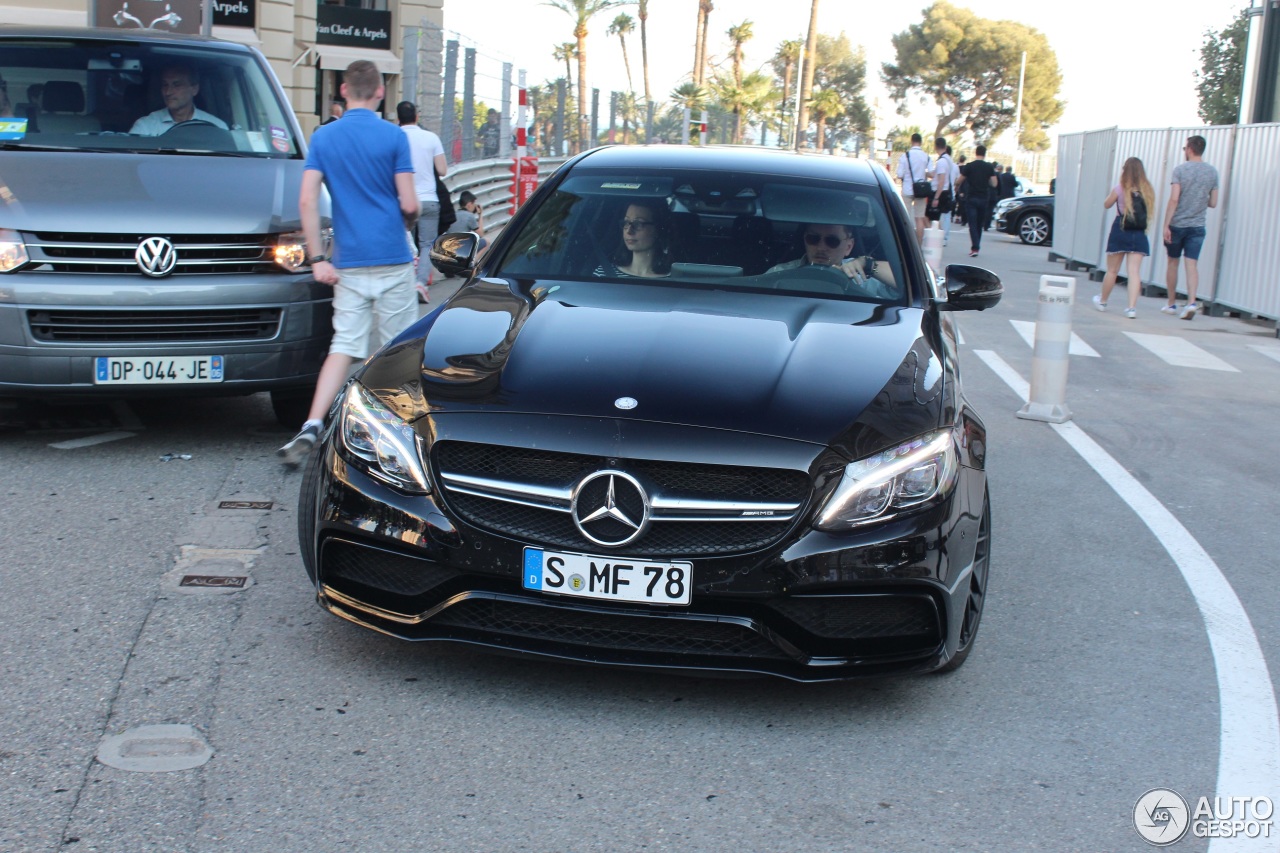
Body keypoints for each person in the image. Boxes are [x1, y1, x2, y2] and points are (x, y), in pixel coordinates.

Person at [277, 60, 419, 467]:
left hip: (348, 262)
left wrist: (318, 257)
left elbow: (306, 200)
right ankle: (394, 435)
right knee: (398, 351)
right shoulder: (394, 137)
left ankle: (312, 423)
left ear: (343, 91)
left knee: (343, 346)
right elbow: (409, 203)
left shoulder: (324, 137)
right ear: (380, 92)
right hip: (391, 257)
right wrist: (402, 220)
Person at [1160, 134, 1219, 320]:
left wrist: (1166, 224)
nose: (1185, 151)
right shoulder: (1212, 172)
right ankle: (1192, 302)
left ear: (1190, 149)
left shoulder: (1180, 170)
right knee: (1192, 264)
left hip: (1178, 224)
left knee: (1172, 262)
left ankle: (1171, 303)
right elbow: (1214, 203)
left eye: (1185, 148)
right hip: (1198, 225)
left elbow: (1174, 199)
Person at [397, 100, 447, 303]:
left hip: (402, 199)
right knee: (427, 244)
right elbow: (443, 170)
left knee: (404, 242)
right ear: (416, 117)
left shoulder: (395, 136)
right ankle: (420, 283)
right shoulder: (431, 137)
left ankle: (404, 285)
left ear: (397, 118)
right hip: (428, 200)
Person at [1092, 157, 1155, 319]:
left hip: (1121, 229)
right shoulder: (1147, 190)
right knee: (1134, 272)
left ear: (1125, 171)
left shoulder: (1120, 189)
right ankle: (1131, 308)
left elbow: (1106, 204)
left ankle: (1103, 301)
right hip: (1139, 232)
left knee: (1112, 270)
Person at [766, 222, 898, 299]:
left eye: (832, 241)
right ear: (804, 240)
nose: (821, 247)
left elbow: (906, 286)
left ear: (849, 247)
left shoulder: (861, 275)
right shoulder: (781, 273)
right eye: (813, 238)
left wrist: (868, 264)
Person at [130, 64, 228, 135]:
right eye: (165, 85)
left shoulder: (216, 127)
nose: (168, 92)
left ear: (194, 89)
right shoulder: (146, 126)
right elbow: (133, 160)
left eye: (176, 85)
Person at [593, 202, 672, 278]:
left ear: (657, 229)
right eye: (626, 222)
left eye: (638, 224)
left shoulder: (675, 281)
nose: (629, 231)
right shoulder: (603, 274)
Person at [954, 144, 997, 257]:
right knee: (979, 223)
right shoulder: (989, 167)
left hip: (971, 197)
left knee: (972, 223)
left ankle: (975, 247)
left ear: (975, 153)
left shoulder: (969, 166)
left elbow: (959, 180)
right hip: (984, 198)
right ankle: (977, 246)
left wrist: (956, 188)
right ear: (985, 154)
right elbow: (994, 183)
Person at [895, 133, 932, 244]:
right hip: (921, 191)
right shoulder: (926, 156)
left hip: (907, 189)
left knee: (905, 217)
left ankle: (906, 242)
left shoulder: (905, 156)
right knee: (919, 218)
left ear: (911, 142)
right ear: (921, 142)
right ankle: (918, 244)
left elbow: (900, 174)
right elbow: (931, 173)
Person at [927, 137, 957, 247]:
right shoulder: (948, 159)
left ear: (935, 147)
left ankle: (937, 238)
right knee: (935, 218)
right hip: (945, 191)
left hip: (940, 192)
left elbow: (941, 180)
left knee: (930, 217)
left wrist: (936, 197)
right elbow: (935, 175)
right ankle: (938, 237)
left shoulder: (941, 162)